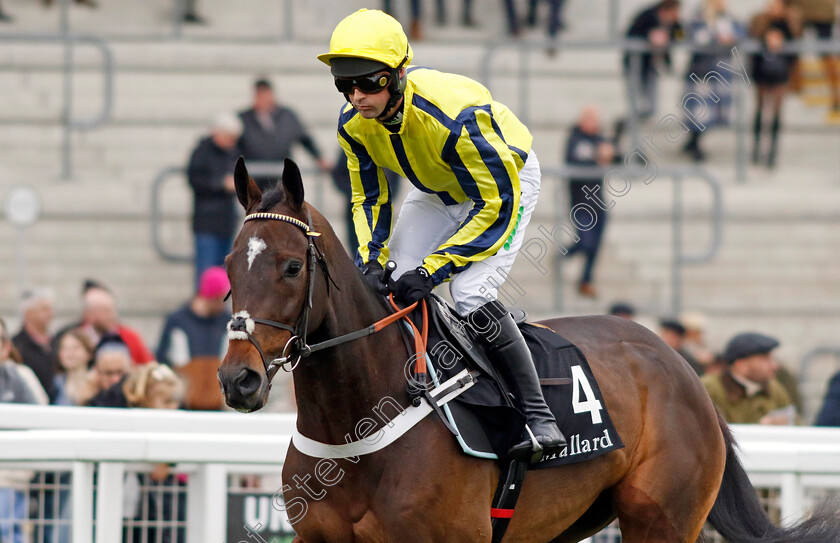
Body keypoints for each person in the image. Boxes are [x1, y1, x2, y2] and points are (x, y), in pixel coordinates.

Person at [318, 8, 565, 461]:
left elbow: (495, 206)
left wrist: (433, 271)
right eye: (344, 85)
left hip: (503, 186)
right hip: (437, 188)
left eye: (368, 83)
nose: (356, 97)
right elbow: (369, 199)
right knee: (391, 283)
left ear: (398, 74)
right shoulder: (353, 126)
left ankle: (537, 414)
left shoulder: (454, 116)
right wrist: (371, 259)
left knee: (470, 291)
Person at [156, 266, 230, 410]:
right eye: (222, 299)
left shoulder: (228, 322)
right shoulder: (177, 321)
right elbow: (162, 358)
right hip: (183, 403)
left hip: (219, 404)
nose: (225, 304)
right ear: (211, 296)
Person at [0, 317, 47, 543]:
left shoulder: (21, 377)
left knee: (10, 531)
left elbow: (42, 417)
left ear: (7, 347)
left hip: (14, 476)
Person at [681, 0, 745, 161]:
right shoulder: (698, 17)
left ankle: (694, 141)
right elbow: (691, 36)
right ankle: (694, 143)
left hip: (722, 73)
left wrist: (731, 38)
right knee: (699, 111)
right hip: (702, 72)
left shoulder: (730, 19)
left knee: (714, 112)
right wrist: (714, 37)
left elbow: (742, 33)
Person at [237, 79, 330, 190]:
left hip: (282, 177)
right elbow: (233, 145)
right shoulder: (244, 118)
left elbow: (304, 138)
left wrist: (318, 157)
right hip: (254, 180)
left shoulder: (287, 116)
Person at [563, 105, 615, 298]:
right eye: (589, 118)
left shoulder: (600, 139)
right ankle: (563, 255)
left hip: (598, 201)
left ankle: (586, 280)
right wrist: (598, 158)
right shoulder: (575, 139)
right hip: (580, 202)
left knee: (596, 246)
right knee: (586, 242)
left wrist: (611, 152)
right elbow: (574, 164)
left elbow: (616, 157)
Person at [187, 112, 242, 290]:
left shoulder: (232, 152)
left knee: (223, 273)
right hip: (207, 223)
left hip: (226, 221)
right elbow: (195, 180)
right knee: (206, 273)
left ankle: (219, 310)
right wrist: (221, 184)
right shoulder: (202, 152)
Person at [749, 0, 801, 168]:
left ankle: (772, 153)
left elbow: (796, 48)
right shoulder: (760, 20)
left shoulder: (789, 23)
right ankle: (756, 149)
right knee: (760, 110)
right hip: (762, 73)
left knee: (776, 114)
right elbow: (752, 41)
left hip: (780, 73)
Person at [701, 332, 795, 424]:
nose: (774, 365)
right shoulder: (709, 388)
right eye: (764, 359)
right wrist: (760, 426)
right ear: (740, 365)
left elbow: (797, 424)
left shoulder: (774, 388)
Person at [624, 0, 683, 121]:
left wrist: (673, 30)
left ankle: (630, 124)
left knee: (651, 106)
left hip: (652, 66)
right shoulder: (647, 16)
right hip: (636, 65)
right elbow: (630, 34)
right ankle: (626, 125)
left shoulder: (674, 22)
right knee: (636, 102)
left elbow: (681, 37)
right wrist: (649, 36)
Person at [77, 286, 154, 365]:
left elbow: (149, 366)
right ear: (89, 314)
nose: (112, 316)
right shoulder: (75, 338)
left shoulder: (130, 337)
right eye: (106, 311)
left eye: (113, 310)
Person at [788, 0, 840, 115]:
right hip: (806, 12)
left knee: (826, 55)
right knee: (793, 49)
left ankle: (835, 95)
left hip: (820, 13)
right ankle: (796, 85)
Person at [12, 288, 59, 402]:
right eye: (44, 309)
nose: (50, 314)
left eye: (51, 309)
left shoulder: (57, 342)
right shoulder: (16, 345)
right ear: (28, 313)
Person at [83, 334, 133, 407]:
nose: (115, 379)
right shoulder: (89, 395)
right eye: (108, 373)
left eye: (120, 372)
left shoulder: (140, 396)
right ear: (96, 372)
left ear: (131, 369)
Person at [53, 328, 95, 406]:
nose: (70, 353)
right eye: (64, 348)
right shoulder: (56, 383)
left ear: (88, 353)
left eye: (76, 348)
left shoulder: (97, 383)